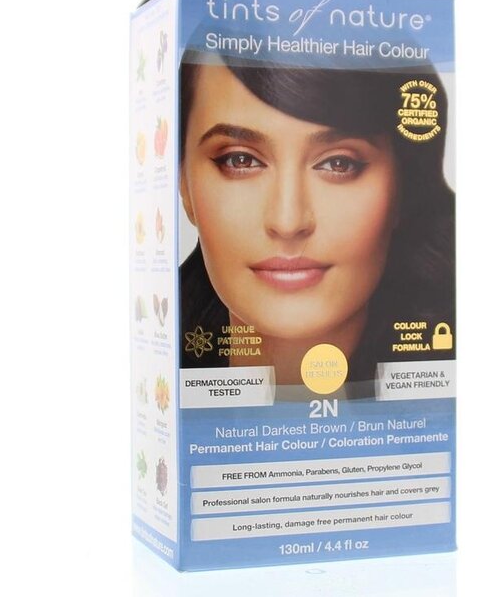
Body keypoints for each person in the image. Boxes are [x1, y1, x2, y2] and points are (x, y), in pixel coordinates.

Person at [178, 51, 454, 400]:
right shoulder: (164, 380)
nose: (288, 222)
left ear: (404, 187)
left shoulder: (446, 397)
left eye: (339, 163)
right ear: (183, 185)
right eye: (240, 160)